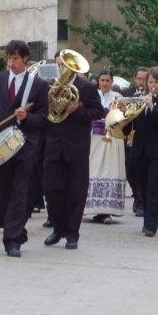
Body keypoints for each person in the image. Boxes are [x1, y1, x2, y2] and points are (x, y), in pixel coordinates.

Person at [0, 40, 49, 257]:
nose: (11, 63)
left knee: (19, 193)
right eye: (9, 58)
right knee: (1, 193)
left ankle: (12, 240)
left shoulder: (37, 85)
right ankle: (16, 230)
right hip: (1, 144)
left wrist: (27, 116)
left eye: (15, 59)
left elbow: (45, 118)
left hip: (25, 146)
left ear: (25, 59)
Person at [43, 53, 104, 249]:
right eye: (60, 65)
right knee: (51, 189)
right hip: (53, 146)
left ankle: (72, 233)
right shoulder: (50, 86)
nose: (61, 69)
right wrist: (48, 101)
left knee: (76, 192)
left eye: (64, 66)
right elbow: (45, 114)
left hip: (76, 147)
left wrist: (76, 110)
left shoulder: (87, 87)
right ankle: (58, 228)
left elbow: (98, 112)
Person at [128, 67, 158, 236]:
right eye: (150, 82)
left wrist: (152, 107)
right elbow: (133, 125)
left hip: (157, 151)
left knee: (154, 188)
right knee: (143, 187)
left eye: (155, 82)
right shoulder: (140, 99)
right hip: (140, 150)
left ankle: (151, 225)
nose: (152, 85)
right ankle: (147, 219)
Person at [86, 70, 127, 222]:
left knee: (111, 171)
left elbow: (124, 118)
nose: (104, 83)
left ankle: (107, 211)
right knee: (94, 171)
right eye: (102, 80)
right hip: (95, 138)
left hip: (112, 139)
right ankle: (92, 207)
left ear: (112, 82)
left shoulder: (119, 97)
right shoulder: (92, 95)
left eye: (107, 80)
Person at [124, 67, 150, 216]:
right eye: (139, 79)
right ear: (134, 78)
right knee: (129, 170)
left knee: (141, 170)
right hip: (128, 138)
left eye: (144, 79)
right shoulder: (127, 93)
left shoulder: (150, 96)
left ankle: (140, 200)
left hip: (144, 137)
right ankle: (136, 194)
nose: (141, 82)